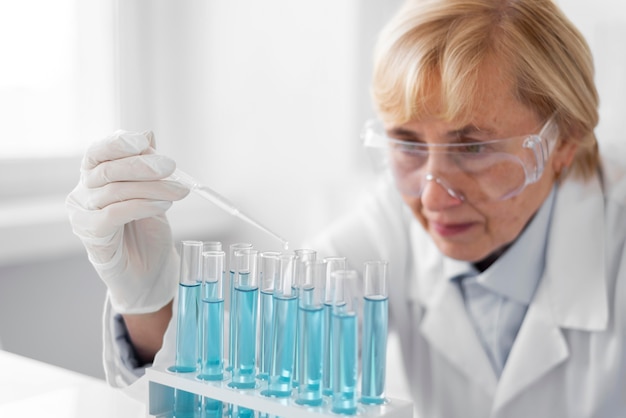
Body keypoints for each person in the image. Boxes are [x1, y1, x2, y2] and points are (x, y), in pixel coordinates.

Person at [66, 0, 626, 416]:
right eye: (406, 143)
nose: (430, 197)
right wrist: (147, 303)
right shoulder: (391, 216)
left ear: (564, 141)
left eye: (473, 147)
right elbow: (253, 369)